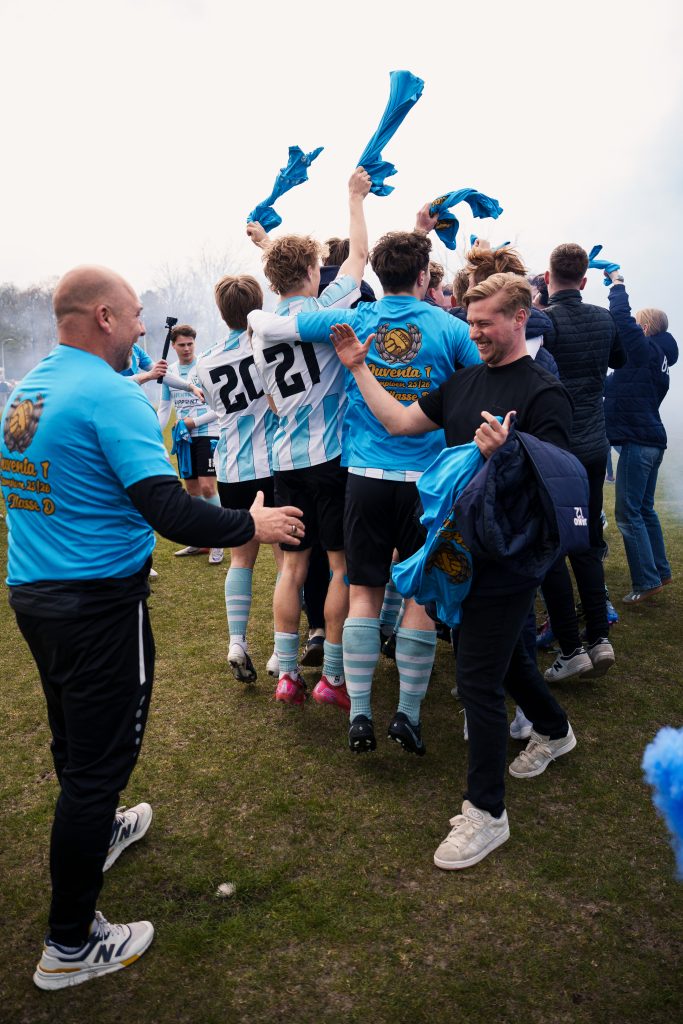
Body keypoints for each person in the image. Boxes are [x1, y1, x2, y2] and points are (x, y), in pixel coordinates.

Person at [0, 265, 303, 990]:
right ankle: (69, 945)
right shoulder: (110, 395)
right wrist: (249, 523)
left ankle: (99, 828)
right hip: (97, 605)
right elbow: (168, 511)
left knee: (75, 739)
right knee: (98, 766)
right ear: (103, 316)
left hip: (36, 595)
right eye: (136, 315)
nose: (145, 328)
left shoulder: (34, 385)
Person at [329, 272, 576, 868]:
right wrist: (359, 367)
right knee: (501, 657)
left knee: (477, 681)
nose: (476, 332)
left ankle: (486, 813)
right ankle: (554, 728)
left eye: (486, 322)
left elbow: (567, 482)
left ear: (520, 317)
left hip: (512, 559)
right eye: (470, 322)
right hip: (461, 552)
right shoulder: (462, 382)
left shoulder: (544, 393)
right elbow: (400, 423)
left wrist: (513, 453)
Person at [249, 227, 480, 755]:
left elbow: (281, 322)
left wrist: (253, 310)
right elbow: (483, 380)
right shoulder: (452, 329)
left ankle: (359, 714)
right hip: (428, 484)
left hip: (365, 478)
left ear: (380, 275)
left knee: (363, 593)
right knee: (419, 594)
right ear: (424, 277)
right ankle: (408, 715)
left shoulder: (355, 318)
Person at [247, 167, 371, 710]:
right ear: (314, 272)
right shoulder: (327, 309)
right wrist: (355, 200)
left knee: (293, 568)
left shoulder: (260, 326)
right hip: (330, 457)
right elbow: (359, 260)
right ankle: (335, 678)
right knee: (340, 567)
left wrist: (269, 248)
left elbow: (289, 278)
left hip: (283, 461)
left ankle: (288, 674)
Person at [540, 243, 625, 682]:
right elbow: (618, 359)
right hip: (593, 446)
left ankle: (570, 644)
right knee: (588, 541)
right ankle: (599, 636)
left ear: (549, 277)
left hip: (556, 448)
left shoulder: (547, 321)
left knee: (553, 545)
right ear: (585, 280)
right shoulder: (602, 317)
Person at [195, 274, 282, 681]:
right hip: (272, 465)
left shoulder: (206, 359)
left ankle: (237, 640)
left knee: (241, 557)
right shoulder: (268, 347)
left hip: (231, 467)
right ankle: (282, 651)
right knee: (287, 559)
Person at [604, 269, 678, 601]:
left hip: (638, 441)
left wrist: (617, 286)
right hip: (652, 439)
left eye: (637, 325)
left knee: (628, 513)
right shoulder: (655, 361)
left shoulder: (643, 350)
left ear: (644, 328)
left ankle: (645, 581)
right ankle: (660, 572)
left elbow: (621, 318)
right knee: (645, 509)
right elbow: (618, 387)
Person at [157, 324, 223, 565]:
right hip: (184, 438)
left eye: (190, 344)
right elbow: (165, 409)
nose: (186, 349)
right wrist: (153, 431)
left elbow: (219, 408)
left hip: (207, 432)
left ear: (195, 343)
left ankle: (219, 541)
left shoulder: (204, 366)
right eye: (181, 345)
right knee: (193, 491)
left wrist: (194, 422)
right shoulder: (169, 373)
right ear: (173, 346)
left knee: (207, 488)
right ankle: (200, 539)